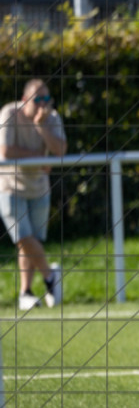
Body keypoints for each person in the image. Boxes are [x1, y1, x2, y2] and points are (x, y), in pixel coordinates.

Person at [0, 79, 66, 311]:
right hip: (9, 187)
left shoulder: (52, 118)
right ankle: (50, 277)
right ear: (24, 100)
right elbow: (6, 152)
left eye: (47, 99)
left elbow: (59, 152)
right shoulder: (9, 112)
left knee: (30, 243)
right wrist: (37, 156)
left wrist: (42, 127)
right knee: (23, 237)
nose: (43, 104)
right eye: (38, 99)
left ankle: (25, 293)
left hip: (39, 188)